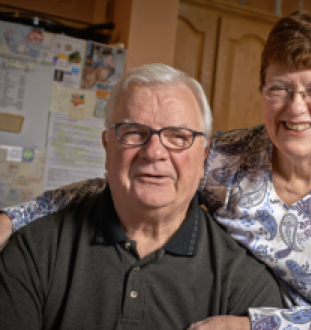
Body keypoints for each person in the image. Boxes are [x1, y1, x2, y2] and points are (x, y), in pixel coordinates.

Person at [0, 11, 311, 330]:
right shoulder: (228, 157)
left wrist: (256, 324)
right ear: (263, 93)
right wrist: (13, 217)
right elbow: (136, 177)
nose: (296, 107)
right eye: (279, 89)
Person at [0, 63, 285, 329]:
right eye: (134, 132)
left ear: (204, 157)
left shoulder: (246, 282)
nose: (154, 153)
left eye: (178, 137)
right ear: (107, 147)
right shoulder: (34, 251)